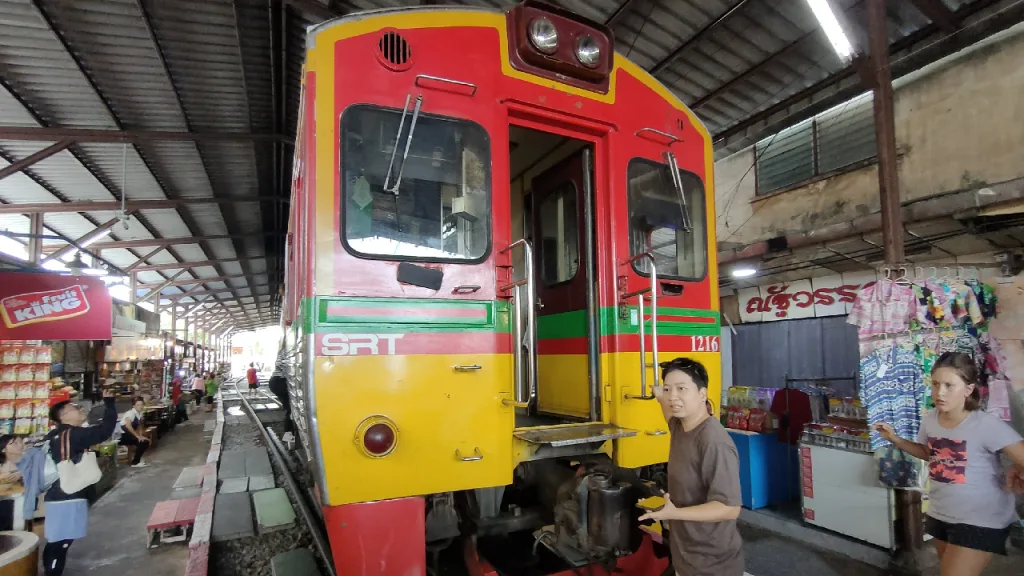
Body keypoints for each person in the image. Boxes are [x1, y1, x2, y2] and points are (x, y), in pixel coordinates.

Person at [875, 352, 1024, 576]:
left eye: (949, 385)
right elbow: (929, 453)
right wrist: (896, 439)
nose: (939, 393)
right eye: (935, 384)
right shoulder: (931, 419)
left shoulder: (985, 424)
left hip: (980, 518)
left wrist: (1018, 468)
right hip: (941, 513)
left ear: (968, 389)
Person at [638, 357, 744, 576]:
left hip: (712, 566)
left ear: (702, 394)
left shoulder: (714, 443)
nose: (672, 397)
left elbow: (729, 508)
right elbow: (666, 405)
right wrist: (659, 393)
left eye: (681, 389)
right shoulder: (679, 425)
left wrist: (674, 513)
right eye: (668, 389)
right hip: (686, 557)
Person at [44, 388, 118, 576]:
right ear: (64, 415)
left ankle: (49, 569)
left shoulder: (53, 435)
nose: (81, 409)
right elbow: (105, 431)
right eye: (75, 407)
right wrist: (109, 403)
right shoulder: (73, 434)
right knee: (62, 542)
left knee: (56, 540)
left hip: (55, 493)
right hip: (69, 494)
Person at [118, 397, 150, 468]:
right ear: (133, 406)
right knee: (143, 442)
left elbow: (139, 426)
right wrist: (137, 436)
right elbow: (128, 426)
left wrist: (141, 436)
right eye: (138, 405)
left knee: (144, 441)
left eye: (142, 404)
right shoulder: (130, 413)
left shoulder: (139, 413)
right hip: (122, 436)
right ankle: (135, 463)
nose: (140, 406)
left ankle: (136, 460)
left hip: (129, 435)